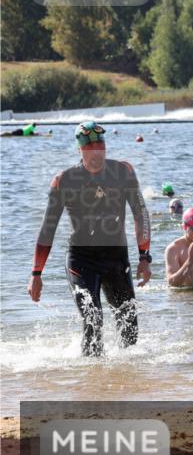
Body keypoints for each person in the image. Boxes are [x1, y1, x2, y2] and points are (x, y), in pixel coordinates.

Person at [28, 121, 152, 356]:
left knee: (130, 326)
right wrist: (36, 274)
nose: (97, 151)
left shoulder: (123, 171)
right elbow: (47, 228)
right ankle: (90, 381)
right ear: (80, 150)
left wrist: (144, 256)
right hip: (81, 260)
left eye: (100, 145)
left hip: (116, 257)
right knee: (92, 318)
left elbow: (141, 214)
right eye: (91, 146)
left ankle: (128, 382)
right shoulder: (64, 180)